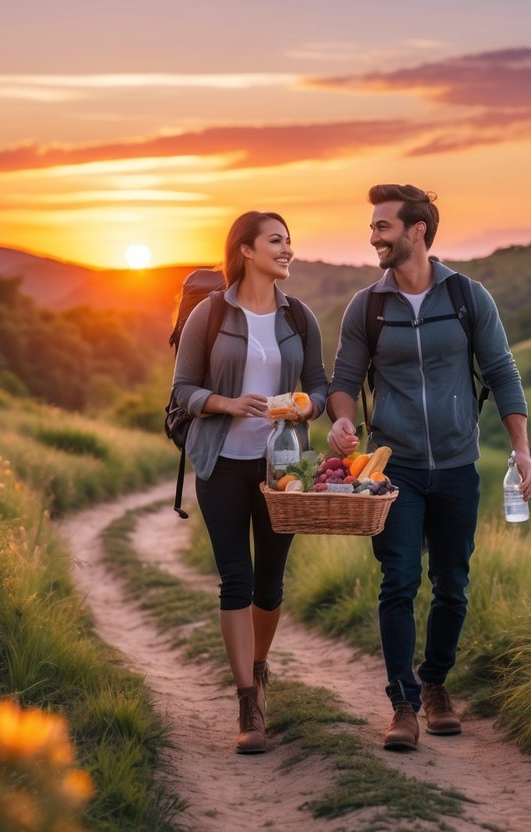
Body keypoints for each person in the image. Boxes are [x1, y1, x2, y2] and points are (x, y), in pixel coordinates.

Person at [326, 184, 531, 751]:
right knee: (397, 582)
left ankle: (436, 683)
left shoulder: (468, 297)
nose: (374, 236)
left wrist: (521, 449)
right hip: (391, 471)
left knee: (453, 585)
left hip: (456, 466)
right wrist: (342, 422)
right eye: (372, 227)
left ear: (417, 230)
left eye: (383, 227)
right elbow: (344, 381)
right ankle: (402, 705)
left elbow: (502, 373)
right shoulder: (366, 306)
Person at [171, 210, 329, 754]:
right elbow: (182, 391)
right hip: (222, 464)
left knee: (270, 585)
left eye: (289, 240)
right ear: (246, 250)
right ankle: (247, 702)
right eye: (277, 241)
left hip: (281, 470)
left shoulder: (300, 318)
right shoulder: (210, 315)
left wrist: (305, 409)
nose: (288, 250)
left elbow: (321, 389)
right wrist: (225, 403)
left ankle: (259, 669)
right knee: (235, 580)